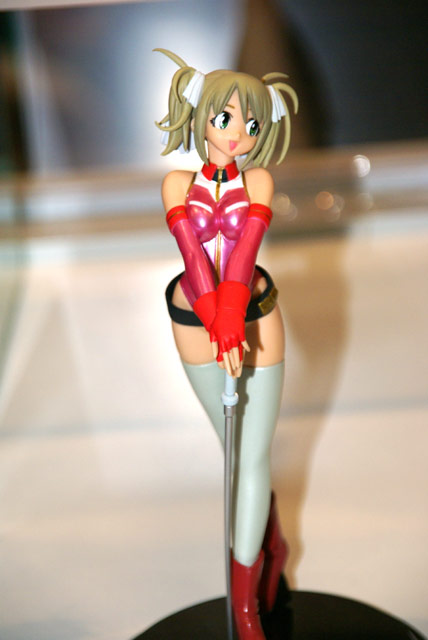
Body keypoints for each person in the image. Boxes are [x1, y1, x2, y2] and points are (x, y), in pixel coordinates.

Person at [156, 48, 297, 639]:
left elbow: (243, 257)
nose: (238, 133)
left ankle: (245, 608)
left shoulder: (258, 180)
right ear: (200, 118)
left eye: (252, 123)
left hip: (253, 318)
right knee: (236, 455)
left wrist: (232, 324)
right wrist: (216, 325)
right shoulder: (176, 184)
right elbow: (194, 258)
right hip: (194, 319)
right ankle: (274, 544)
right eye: (225, 118)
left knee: (251, 459)